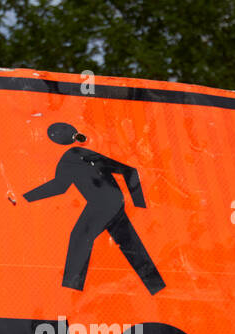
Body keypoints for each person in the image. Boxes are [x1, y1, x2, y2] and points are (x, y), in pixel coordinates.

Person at [24, 122, 165, 294]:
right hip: (113, 201)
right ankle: (155, 285)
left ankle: (71, 289)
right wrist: (140, 204)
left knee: (80, 237)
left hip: (102, 203)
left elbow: (59, 186)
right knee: (128, 241)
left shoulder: (72, 157)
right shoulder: (82, 155)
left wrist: (27, 198)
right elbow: (130, 172)